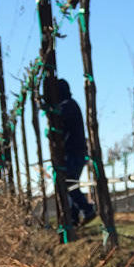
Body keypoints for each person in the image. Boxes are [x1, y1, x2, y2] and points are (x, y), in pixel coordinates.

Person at [54, 78, 95, 226]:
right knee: (71, 183)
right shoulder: (69, 105)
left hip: (74, 153)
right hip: (76, 152)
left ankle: (87, 209)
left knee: (69, 183)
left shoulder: (67, 106)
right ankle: (74, 218)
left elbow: (59, 123)